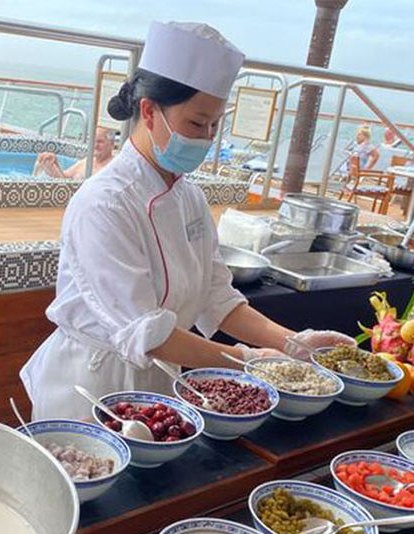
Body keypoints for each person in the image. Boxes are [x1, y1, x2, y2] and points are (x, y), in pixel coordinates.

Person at [20, 21, 353, 420]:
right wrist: (248, 361)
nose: (205, 137)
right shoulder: (104, 203)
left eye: (215, 125)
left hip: (163, 384)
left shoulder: (189, 196)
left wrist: (293, 343)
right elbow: (146, 332)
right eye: (196, 124)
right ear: (148, 112)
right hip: (94, 385)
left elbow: (218, 298)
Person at [33, 127, 115, 179]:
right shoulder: (87, 161)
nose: (95, 145)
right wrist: (53, 164)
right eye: (93, 141)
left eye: (100, 142)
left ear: (111, 143)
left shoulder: (113, 167)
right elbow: (64, 178)